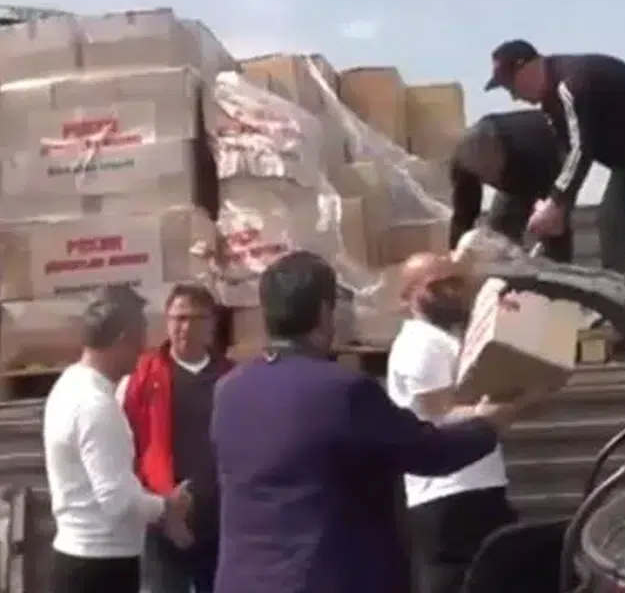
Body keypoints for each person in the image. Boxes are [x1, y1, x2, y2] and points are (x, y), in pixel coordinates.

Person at [211, 251, 524, 593]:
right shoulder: (342, 391)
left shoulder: (229, 391)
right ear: (325, 312)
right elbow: (427, 451)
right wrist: (487, 425)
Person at [483, 40, 625, 301]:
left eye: (511, 86)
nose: (514, 97)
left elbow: (581, 149)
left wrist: (557, 202)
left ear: (528, 68)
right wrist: (555, 204)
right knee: (609, 219)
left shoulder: (573, 84)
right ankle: (616, 298)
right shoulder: (551, 103)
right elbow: (566, 155)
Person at [387, 252, 548, 593]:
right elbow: (438, 415)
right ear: (407, 297)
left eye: (456, 281)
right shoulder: (422, 344)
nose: (451, 291)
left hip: (470, 489)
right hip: (451, 494)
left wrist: (514, 401)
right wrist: (504, 408)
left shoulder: (445, 340)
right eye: (436, 285)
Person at [43, 284, 193, 593]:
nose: (143, 350)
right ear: (123, 339)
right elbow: (118, 501)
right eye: (140, 339)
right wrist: (166, 507)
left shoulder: (70, 384)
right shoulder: (94, 405)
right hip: (99, 568)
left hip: (81, 559)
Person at [121, 283, 230, 593]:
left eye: (195, 319)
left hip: (219, 521)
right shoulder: (143, 375)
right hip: (164, 519)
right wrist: (162, 509)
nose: (185, 327)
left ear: (211, 324)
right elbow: (128, 446)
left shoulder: (229, 377)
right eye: (178, 318)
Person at [450, 109, 574, 262]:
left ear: (499, 153)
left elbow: (554, 212)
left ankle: (557, 270)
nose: (489, 178)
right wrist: (454, 256)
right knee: (497, 231)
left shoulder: (531, 154)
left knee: (551, 228)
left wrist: (549, 236)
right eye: (484, 174)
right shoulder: (464, 166)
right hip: (515, 169)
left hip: (551, 154)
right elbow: (463, 217)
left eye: (491, 168)